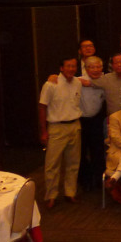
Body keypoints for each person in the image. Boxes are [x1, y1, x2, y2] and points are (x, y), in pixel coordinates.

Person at [38, 56, 83, 208]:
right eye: (68, 66)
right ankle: (51, 195)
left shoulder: (77, 83)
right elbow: (42, 107)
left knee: (73, 163)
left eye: (73, 66)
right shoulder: (51, 84)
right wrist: (43, 131)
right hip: (57, 127)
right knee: (52, 164)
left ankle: (70, 192)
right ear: (61, 68)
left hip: (75, 126)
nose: (71, 69)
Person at [78, 56, 106, 192]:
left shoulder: (105, 80)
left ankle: (99, 181)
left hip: (97, 121)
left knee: (98, 152)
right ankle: (85, 181)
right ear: (86, 69)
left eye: (98, 67)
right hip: (81, 121)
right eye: (92, 67)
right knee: (81, 153)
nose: (95, 70)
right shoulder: (78, 81)